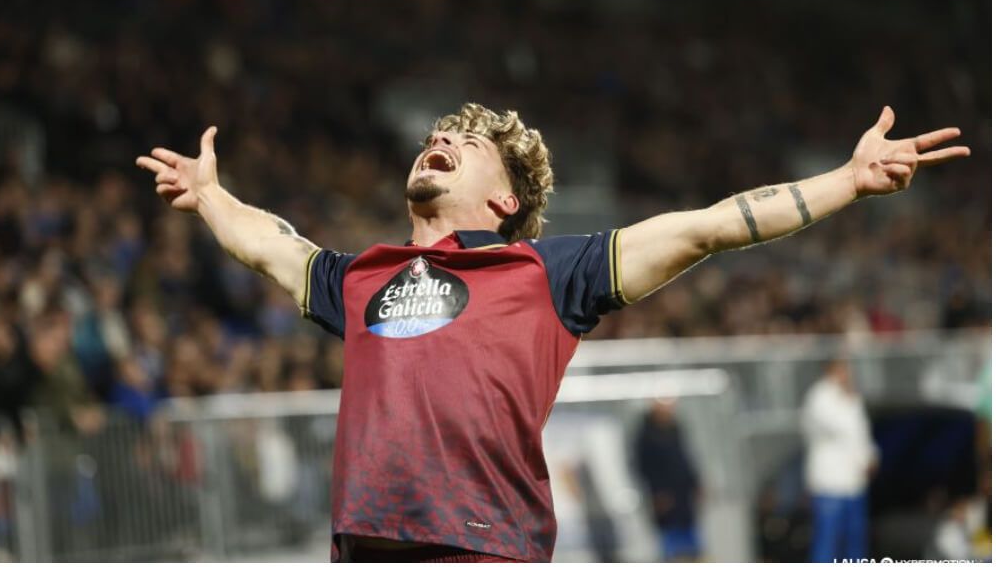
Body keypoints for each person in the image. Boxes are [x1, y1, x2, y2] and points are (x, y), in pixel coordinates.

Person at [136, 103, 968, 562]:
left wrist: (849, 182)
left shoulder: (547, 272)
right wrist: (211, 196)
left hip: (486, 551)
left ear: (505, 202)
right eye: (437, 135)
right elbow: (272, 247)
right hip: (366, 550)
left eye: (463, 143)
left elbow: (710, 227)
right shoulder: (358, 280)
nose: (440, 140)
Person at [802, 359, 878, 562]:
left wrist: (870, 457)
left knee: (855, 542)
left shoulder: (852, 398)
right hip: (830, 484)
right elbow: (842, 429)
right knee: (828, 541)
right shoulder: (819, 396)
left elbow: (862, 434)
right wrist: (848, 399)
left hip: (854, 482)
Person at [633, 398, 702, 561]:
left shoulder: (675, 429)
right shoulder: (645, 436)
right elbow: (644, 467)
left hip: (684, 495)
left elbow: (686, 459)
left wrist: (696, 483)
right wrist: (658, 493)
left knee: (691, 543)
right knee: (671, 544)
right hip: (664, 498)